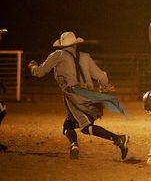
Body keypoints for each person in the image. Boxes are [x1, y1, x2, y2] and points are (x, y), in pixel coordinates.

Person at [28, 31, 130, 160]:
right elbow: (102, 76)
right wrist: (104, 87)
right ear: (75, 44)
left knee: (86, 127)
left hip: (73, 95)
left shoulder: (58, 55)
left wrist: (32, 66)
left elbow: (39, 72)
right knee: (68, 126)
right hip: (89, 94)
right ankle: (74, 145)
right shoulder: (85, 56)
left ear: (61, 45)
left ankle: (119, 139)